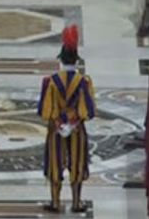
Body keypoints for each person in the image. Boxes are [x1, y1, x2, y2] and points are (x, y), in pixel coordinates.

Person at [39, 24, 96, 213]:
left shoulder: (51, 82)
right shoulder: (84, 82)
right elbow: (88, 110)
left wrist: (58, 122)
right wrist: (74, 121)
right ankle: (77, 202)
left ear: (61, 59)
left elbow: (45, 110)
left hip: (56, 129)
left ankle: (55, 202)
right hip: (77, 129)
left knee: (55, 163)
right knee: (77, 163)